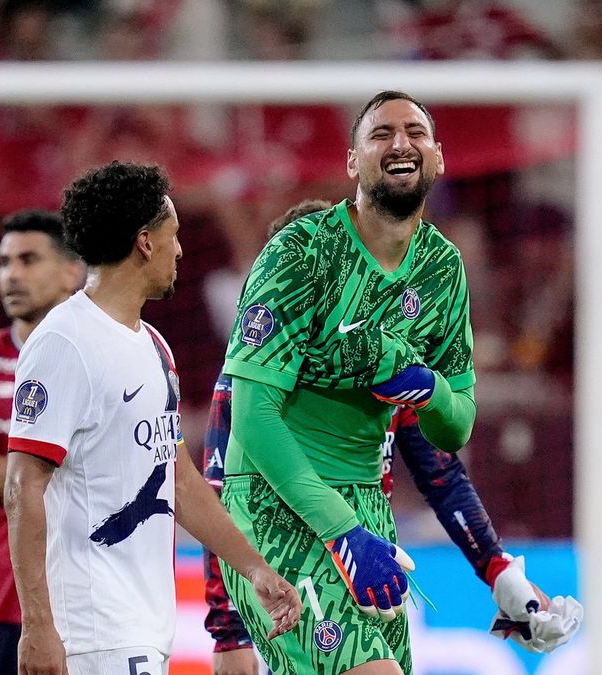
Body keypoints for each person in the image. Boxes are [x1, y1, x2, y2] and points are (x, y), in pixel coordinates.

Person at [202, 198, 582, 674]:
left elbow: (439, 473)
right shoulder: (253, 376)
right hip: (288, 544)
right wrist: (227, 630)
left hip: (370, 542)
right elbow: (219, 491)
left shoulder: (375, 359)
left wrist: (497, 568)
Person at [216, 90, 486, 675]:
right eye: (381, 133)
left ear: (437, 158)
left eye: (415, 132)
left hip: (370, 505)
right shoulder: (301, 252)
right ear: (352, 162)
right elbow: (252, 416)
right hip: (276, 503)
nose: (400, 143)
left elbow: (455, 425)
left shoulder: (443, 269)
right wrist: (341, 533)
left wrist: (427, 387)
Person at [4, 161, 300, 675]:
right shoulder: (64, 343)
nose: (180, 250)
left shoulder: (154, 346)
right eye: (174, 235)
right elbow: (22, 486)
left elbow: (178, 481)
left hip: (143, 622)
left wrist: (254, 568)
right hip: (92, 630)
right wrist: (38, 625)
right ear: (145, 242)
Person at [0, 210, 84, 675]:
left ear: (72, 271)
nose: (11, 275)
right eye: (5, 262)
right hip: (0, 598)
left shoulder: (97, 356)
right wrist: (90, 482)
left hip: (82, 591)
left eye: (28, 260)